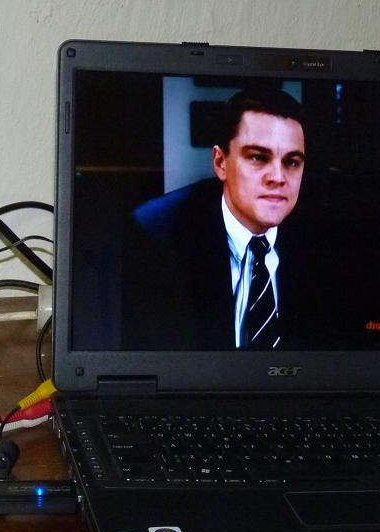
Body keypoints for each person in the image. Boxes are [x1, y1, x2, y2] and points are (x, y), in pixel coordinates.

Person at [122, 85, 309, 350]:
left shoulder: (325, 237)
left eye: (291, 162)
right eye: (258, 157)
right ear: (221, 163)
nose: (278, 177)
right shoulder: (160, 234)